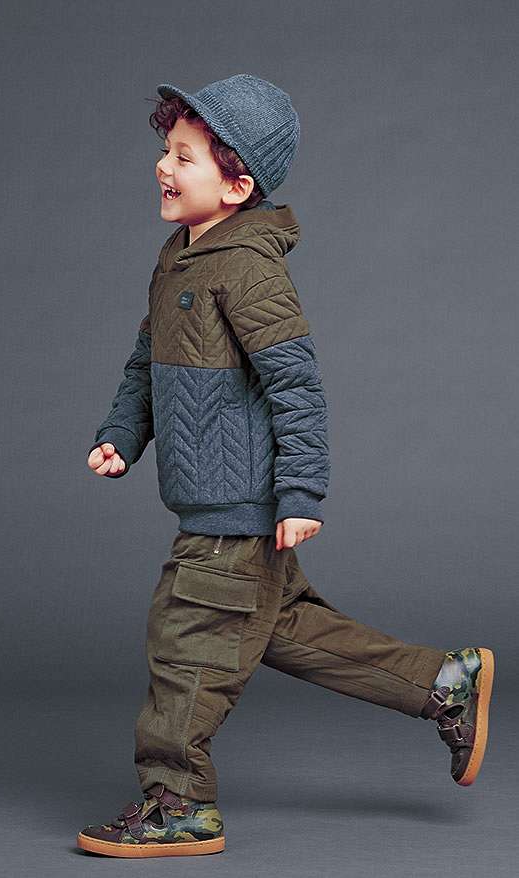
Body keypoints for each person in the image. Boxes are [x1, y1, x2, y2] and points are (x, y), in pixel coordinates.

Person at [76, 74, 495, 859]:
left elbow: (295, 386)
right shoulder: (179, 256)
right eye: (166, 150)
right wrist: (121, 435)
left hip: (237, 506)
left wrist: (300, 492)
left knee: (186, 645)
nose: (164, 166)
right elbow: (145, 363)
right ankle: (443, 684)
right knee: (283, 628)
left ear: (237, 186)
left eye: (186, 158)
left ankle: (177, 805)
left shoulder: (248, 268)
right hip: (209, 502)